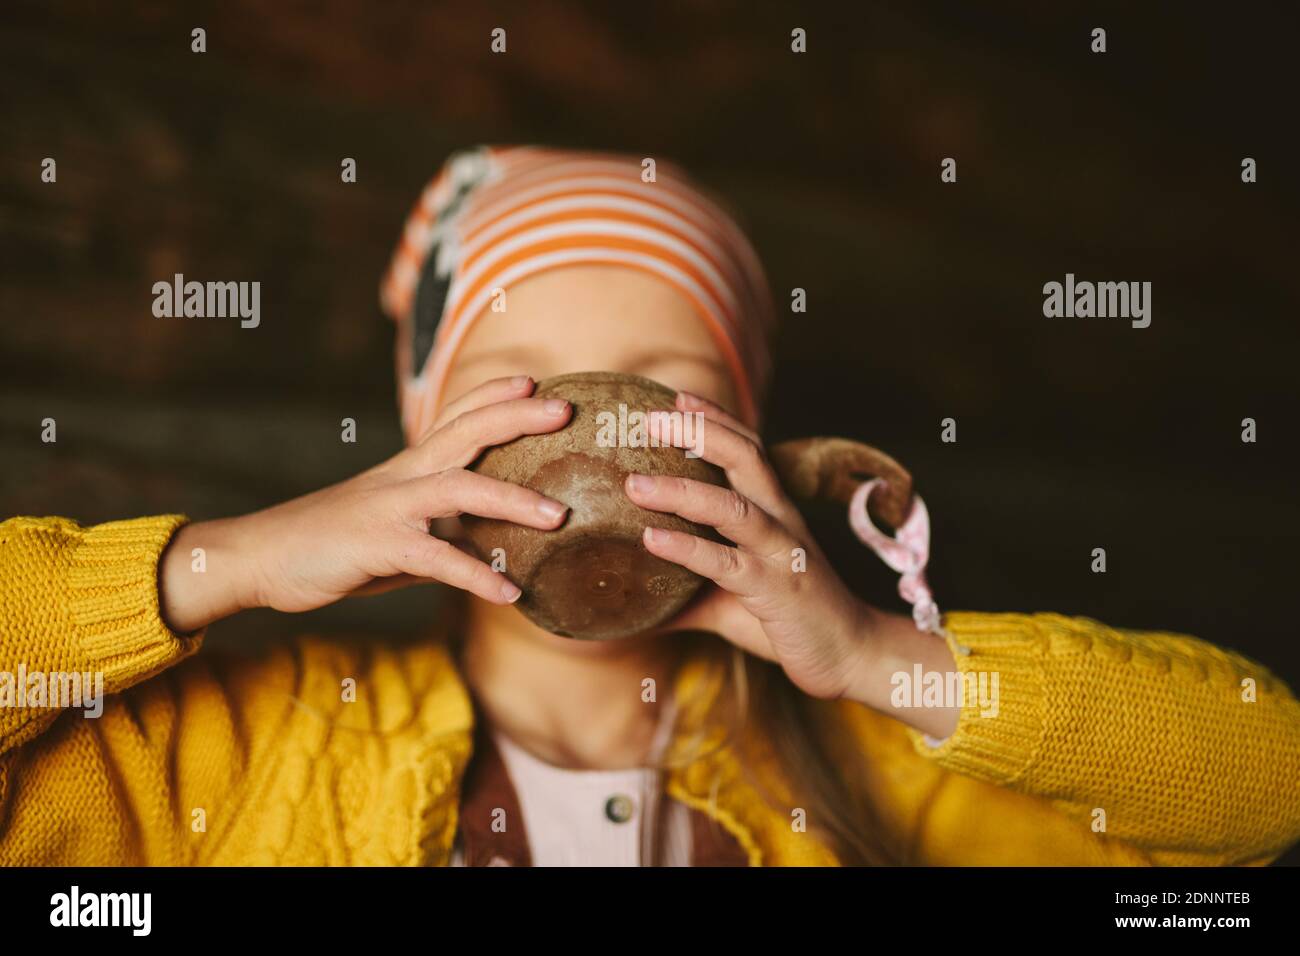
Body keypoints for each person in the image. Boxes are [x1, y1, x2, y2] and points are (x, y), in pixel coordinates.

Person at [2, 146, 1297, 866]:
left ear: (750, 445)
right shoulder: (251, 752)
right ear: (420, 435)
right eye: (522, 385)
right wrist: (225, 563)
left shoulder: (871, 777)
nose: (590, 436)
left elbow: (1270, 786)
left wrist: (877, 659)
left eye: (664, 390)